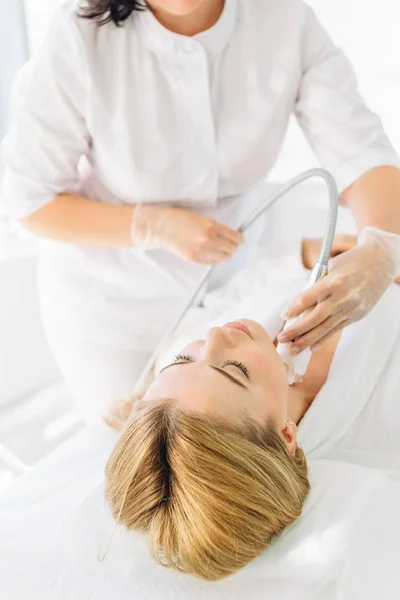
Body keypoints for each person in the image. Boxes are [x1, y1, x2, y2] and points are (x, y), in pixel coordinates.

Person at [2, 0, 400, 422]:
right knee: (156, 441)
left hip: (234, 283)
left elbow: (361, 151)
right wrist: (150, 225)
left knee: (258, 425)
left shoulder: (283, 18)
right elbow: (30, 201)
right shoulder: (79, 37)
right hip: (113, 308)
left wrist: (382, 246)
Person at [104, 233, 400, 580]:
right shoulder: (383, 416)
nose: (214, 337)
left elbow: (240, 289)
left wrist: (306, 254)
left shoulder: (185, 365)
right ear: (286, 435)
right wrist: (384, 253)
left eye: (183, 359)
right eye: (234, 370)